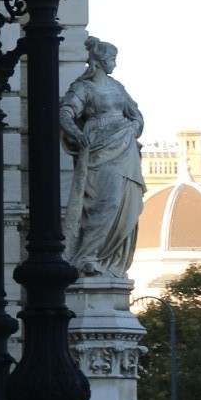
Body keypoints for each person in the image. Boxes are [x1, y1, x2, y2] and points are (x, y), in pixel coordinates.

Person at [60, 37, 146, 276]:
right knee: (107, 202)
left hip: (125, 147)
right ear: (98, 61)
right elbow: (65, 113)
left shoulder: (118, 87)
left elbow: (135, 113)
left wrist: (133, 127)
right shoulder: (82, 88)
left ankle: (109, 261)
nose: (114, 64)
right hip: (98, 148)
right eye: (111, 59)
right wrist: (77, 134)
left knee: (128, 203)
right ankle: (87, 255)